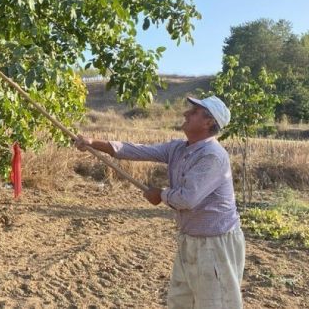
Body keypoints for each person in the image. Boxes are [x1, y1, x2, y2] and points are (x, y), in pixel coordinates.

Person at [75, 96, 245, 309]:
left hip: (216, 243)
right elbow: (137, 150)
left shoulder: (213, 156)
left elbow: (187, 198)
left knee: (215, 304)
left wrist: (161, 194)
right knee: (181, 302)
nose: (186, 114)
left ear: (208, 123)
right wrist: (93, 143)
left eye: (193, 112)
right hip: (190, 239)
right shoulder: (179, 148)